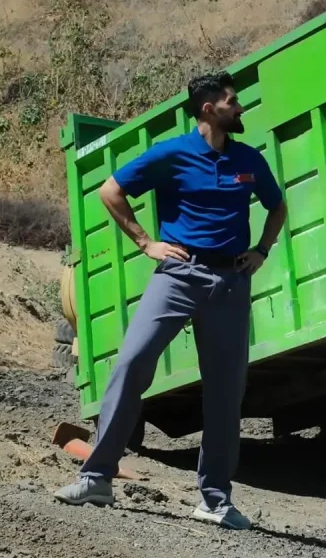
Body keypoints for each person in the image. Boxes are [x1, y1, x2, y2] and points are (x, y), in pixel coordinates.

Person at [54, 71, 288, 530]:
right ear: (208, 109)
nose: (240, 109)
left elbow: (276, 205)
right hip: (179, 275)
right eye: (232, 102)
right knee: (132, 364)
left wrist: (261, 250)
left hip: (229, 283)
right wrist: (146, 243)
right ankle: (98, 477)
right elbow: (111, 191)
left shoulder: (247, 159)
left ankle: (215, 499)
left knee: (225, 391)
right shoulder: (173, 154)